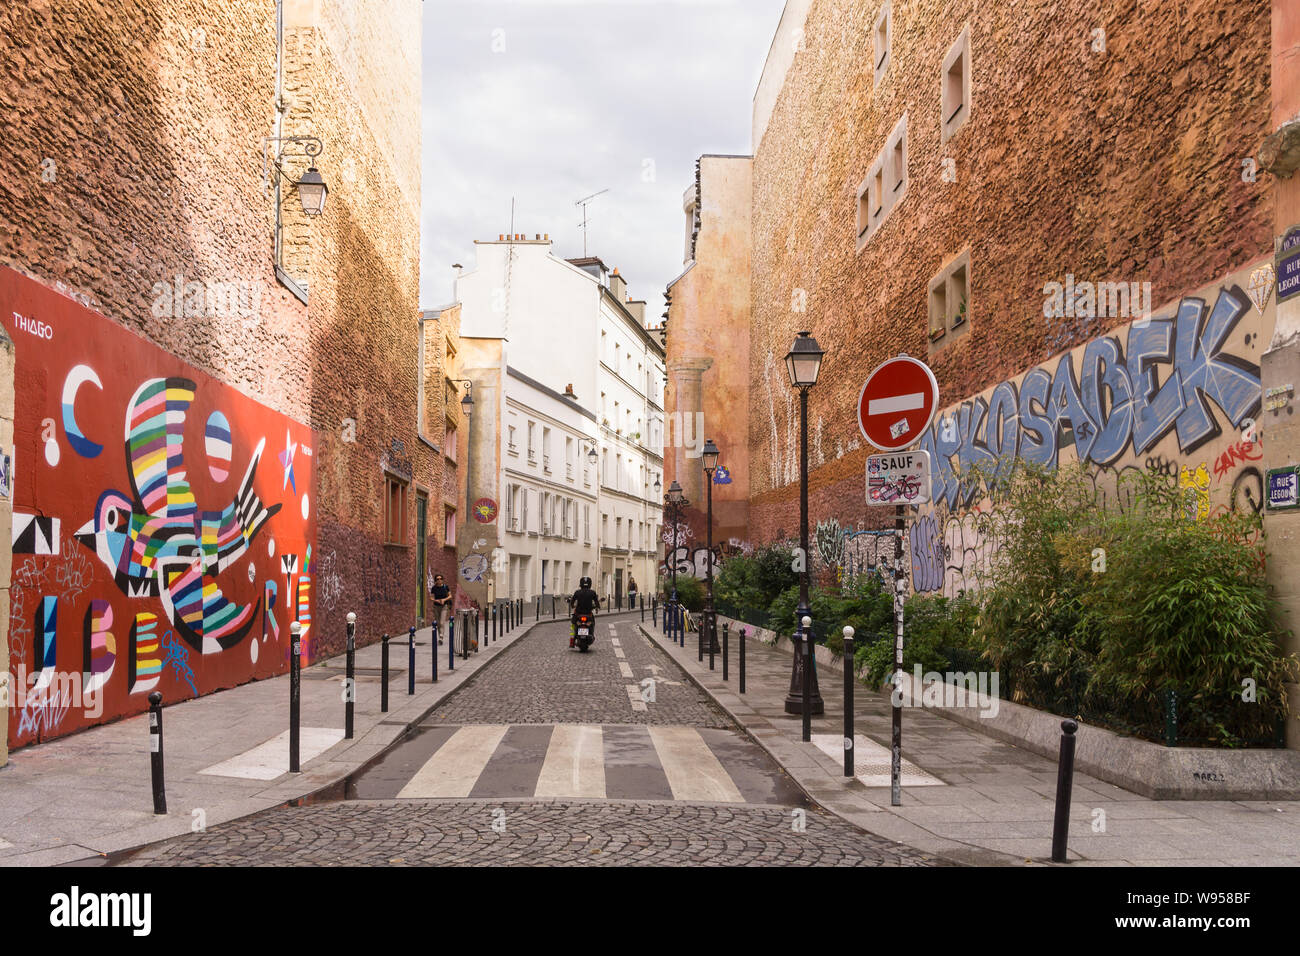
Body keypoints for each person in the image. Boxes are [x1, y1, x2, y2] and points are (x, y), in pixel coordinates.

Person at [568, 576, 600, 648]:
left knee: (573, 624)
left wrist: (572, 605)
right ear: (590, 584)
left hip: (578, 614)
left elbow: (572, 602)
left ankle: (572, 641)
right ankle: (591, 634)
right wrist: (597, 606)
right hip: (588, 614)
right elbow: (597, 602)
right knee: (592, 623)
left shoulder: (577, 592)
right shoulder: (592, 592)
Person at [430, 573, 452, 645]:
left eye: (440, 579)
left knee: (442, 622)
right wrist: (436, 600)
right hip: (436, 607)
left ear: (442, 580)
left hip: (444, 606)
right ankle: (440, 636)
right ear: (435, 580)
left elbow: (450, 596)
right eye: (437, 579)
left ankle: (441, 636)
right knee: (438, 623)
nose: (439, 580)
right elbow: (431, 597)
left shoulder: (446, 587)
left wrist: (444, 600)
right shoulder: (434, 588)